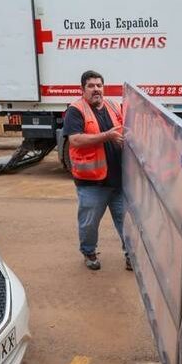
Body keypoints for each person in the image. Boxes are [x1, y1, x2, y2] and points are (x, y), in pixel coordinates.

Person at [64, 70, 130, 271]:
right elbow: (75, 139)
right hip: (92, 182)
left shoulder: (112, 105)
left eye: (99, 85)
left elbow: (124, 130)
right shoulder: (75, 110)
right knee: (89, 224)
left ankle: (131, 255)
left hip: (118, 180)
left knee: (126, 223)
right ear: (82, 89)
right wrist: (106, 136)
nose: (96, 90)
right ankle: (89, 252)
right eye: (91, 86)